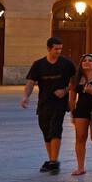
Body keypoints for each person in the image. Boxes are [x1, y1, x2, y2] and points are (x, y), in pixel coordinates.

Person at [21, 37, 76, 174]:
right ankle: (51, 159)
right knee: (46, 130)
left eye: (60, 49)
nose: (58, 51)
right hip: (44, 103)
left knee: (55, 129)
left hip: (60, 103)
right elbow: (30, 83)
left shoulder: (67, 64)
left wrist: (65, 91)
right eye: (56, 49)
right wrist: (25, 97)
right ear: (48, 49)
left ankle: (53, 161)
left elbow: (76, 80)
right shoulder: (38, 65)